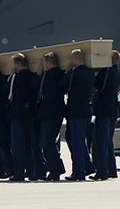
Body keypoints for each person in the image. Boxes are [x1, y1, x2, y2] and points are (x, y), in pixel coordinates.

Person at [7, 53, 44, 181]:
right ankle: (32, 171)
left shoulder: (16, 77)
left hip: (18, 115)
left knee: (17, 145)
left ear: (18, 64)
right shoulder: (32, 76)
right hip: (30, 115)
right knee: (30, 144)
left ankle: (19, 173)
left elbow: (7, 91)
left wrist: (11, 74)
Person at [90, 50, 120, 181]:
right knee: (108, 140)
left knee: (102, 141)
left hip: (104, 109)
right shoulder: (118, 72)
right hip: (113, 109)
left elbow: (95, 84)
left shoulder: (106, 72)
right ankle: (112, 169)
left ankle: (102, 171)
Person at [64, 49, 96, 181]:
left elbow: (64, 86)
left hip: (76, 110)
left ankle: (79, 171)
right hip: (86, 109)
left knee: (76, 141)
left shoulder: (74, 73)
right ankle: (87, 165)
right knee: (77, 139)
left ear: (76, 59)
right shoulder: (90, 72)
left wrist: (67, 71)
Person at [36, 52, 67, 181]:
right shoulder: (59, 74)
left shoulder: (49, 75)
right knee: (49, 142)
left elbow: (37, 86)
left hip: (50, 112)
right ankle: (57, 168)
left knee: (47, 142)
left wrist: (40, 73)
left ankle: (56, 169)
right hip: (54, 112)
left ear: (48, 62)